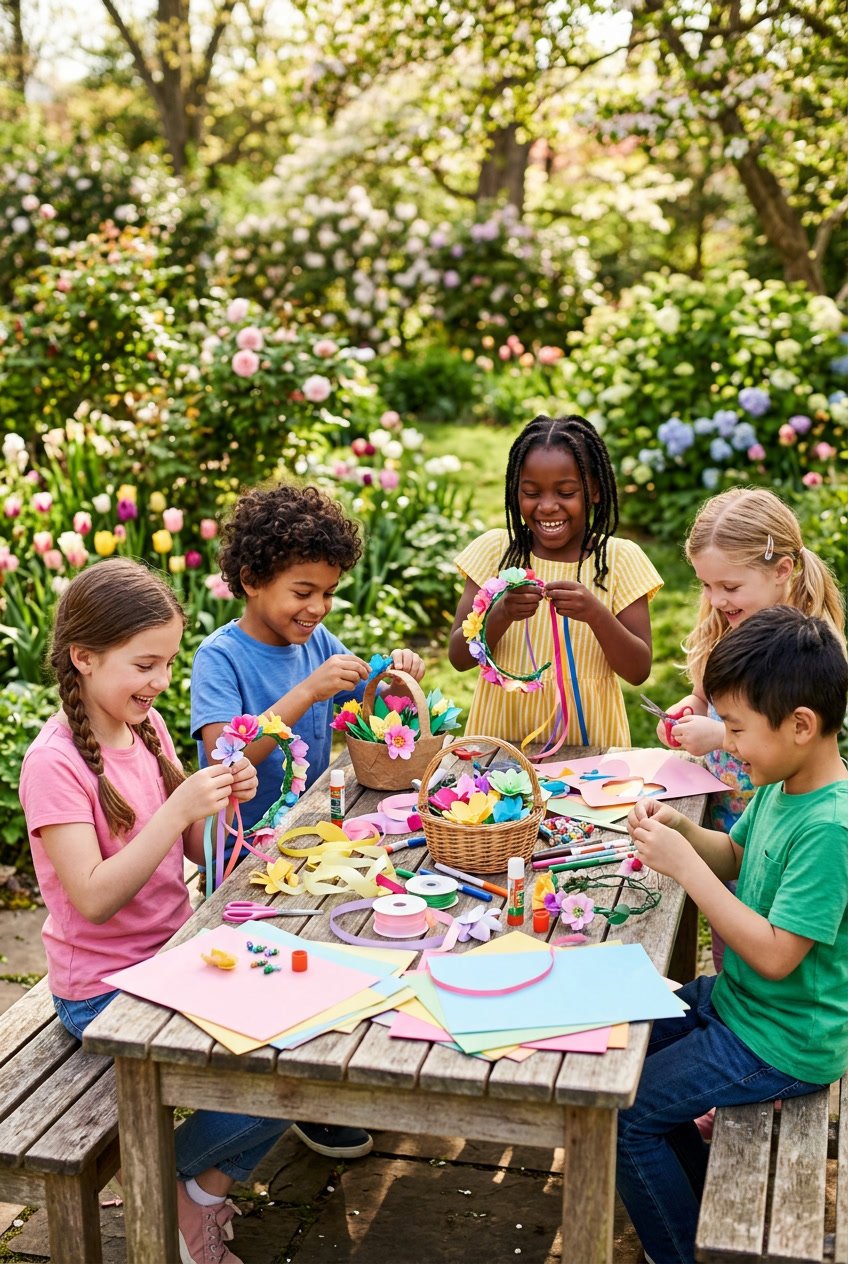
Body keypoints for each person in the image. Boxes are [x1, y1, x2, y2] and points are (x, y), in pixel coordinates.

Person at [18, 559, 283, 1264]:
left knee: (307, 1042)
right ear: (84, 657)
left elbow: (194, 850)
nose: (161, 682)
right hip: (103, 992)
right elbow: (96, 897)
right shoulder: (55, 764)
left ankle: (190, 1187)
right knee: (283, 1075)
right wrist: (176, 808)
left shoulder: (148, 728)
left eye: (167, 663)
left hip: (171, 963)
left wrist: (225, 801)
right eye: (145, 664)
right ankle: (166, 1179)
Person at [190, 481, 423, 1162]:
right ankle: (237, 1110)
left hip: (307, 843)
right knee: (256, 987)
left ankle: (314, 1093)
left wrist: (392, 672)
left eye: (326, 592)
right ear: (251, 580)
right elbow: (224, 759)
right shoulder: (221, 657)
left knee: (324, 959)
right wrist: (303, 694)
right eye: (302, 591)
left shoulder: (318, 639)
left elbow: (367, 689)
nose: (316, 608)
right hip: (240, 857)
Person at [619, 605, 848, 1264]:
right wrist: (684, 830)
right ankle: (689, 1207)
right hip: (742, 1006)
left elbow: (778, 956)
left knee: (628, 1117)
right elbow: (738, 858)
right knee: (617, 1045)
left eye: (738, 729)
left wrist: (687, 869)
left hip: (783, 1039)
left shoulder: (830, 828)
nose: (730, 744)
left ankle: (678, 1252)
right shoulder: (783, 784)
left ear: (801, 726)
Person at [658, 487, 845, 971]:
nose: (717, 599)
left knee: (765, 913)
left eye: (730, 588)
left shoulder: (807, 648)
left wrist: (719, 736)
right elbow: (708, 694)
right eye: (706, 586)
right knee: (733, 915)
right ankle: (734, 994)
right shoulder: (725, 623)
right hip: (739, 810)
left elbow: (800, 735)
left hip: (779, 811)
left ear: (783, 571)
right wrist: (692, 706)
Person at [448, 413, 663, 747]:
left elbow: (638, 671)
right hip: (499, 743)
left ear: (593, 490)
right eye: (531, 492)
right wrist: (502, 613)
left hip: (589, 746)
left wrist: (596, 614)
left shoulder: (619, 560)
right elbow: (459, 657)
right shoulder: (495, 552)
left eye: (565, 492)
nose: (547, 506)